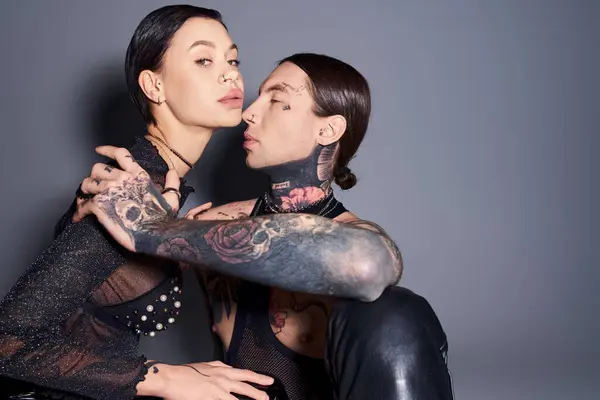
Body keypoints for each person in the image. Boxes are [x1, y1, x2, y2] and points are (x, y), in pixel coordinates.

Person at [75, 54, 455, 399]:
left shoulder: (360, 240)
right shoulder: (206, 227)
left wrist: (156, 229)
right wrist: (91, 225)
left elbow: (364, 264)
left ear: (329, 130)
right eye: (258, 97)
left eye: (277, 100)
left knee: (395, 315)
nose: (248, 113)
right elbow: (78, 329)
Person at [0, 5, 277, 400]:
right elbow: (6, 343)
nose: (230, 72)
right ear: (154, 86)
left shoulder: (162, 185)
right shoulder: (128, 187)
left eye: (233, 59)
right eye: (203, 59)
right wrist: (164, 378)